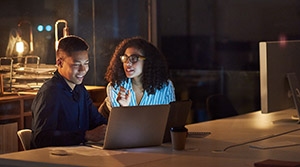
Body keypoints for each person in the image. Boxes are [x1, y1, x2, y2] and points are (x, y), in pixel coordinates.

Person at [31, 36, 107, 149]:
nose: (83, 70)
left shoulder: (80, 89)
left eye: (86, 63)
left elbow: (97, 122)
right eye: (76, 64)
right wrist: (86, 135)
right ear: (60, 63)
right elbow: (41, 138)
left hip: (79, 155)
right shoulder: (50, 92)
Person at [99, 37, 175, 118]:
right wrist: (124, 108)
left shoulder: (165, 87)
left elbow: (170, 120)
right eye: (125, 58)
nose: (128, 63)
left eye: (134, 58)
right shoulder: (115, 88)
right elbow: (120, 126)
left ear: (148, 61)